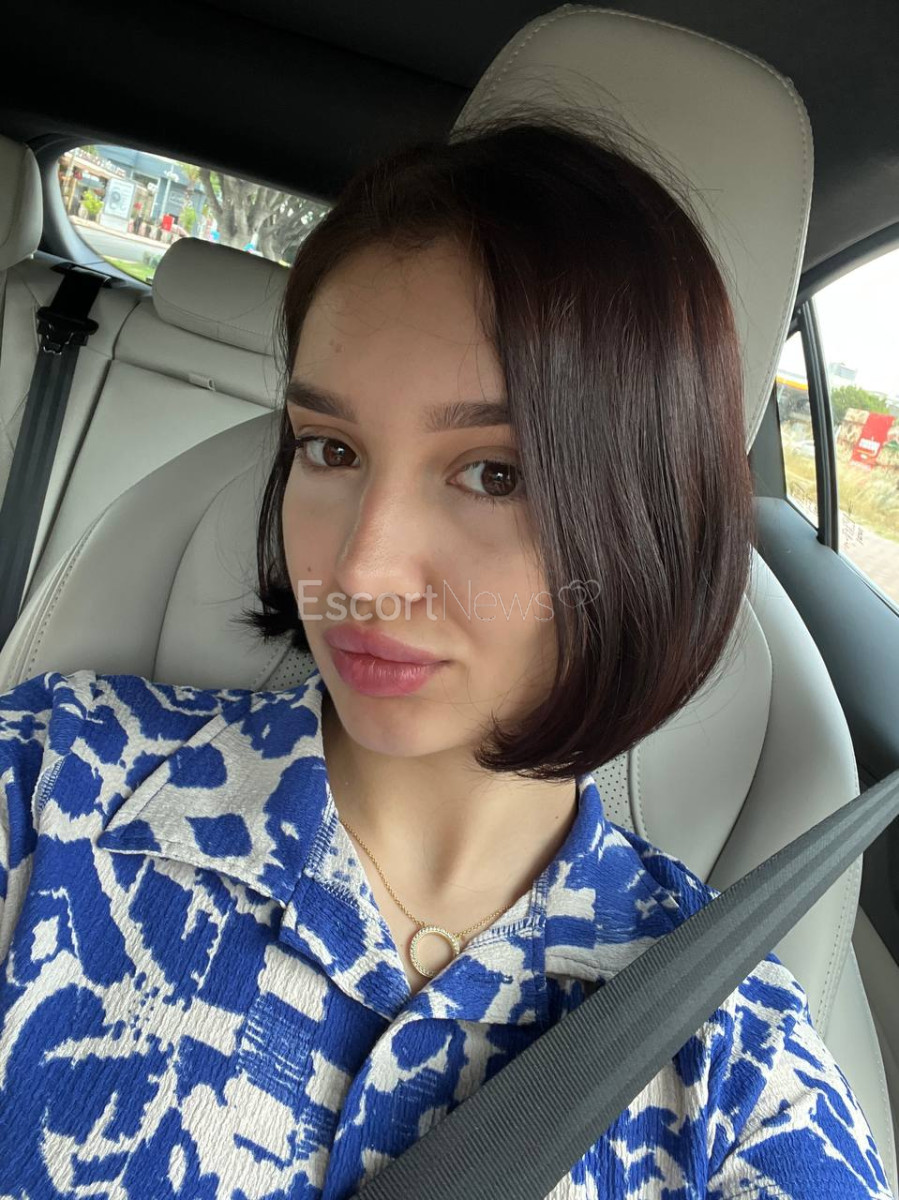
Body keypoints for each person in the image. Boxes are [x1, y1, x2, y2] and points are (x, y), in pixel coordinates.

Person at [0, 112, 894, 1200]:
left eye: (494, 475)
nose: (362, 570)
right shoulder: (56, 777)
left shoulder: (731, 1056)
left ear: (645, 524)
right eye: (330, 449)